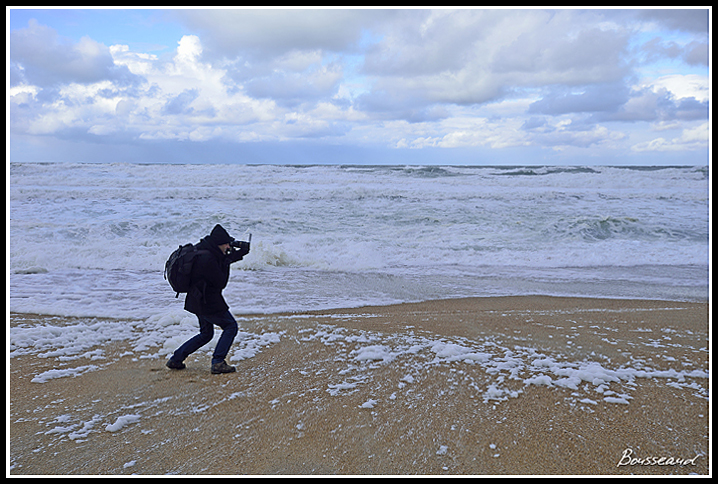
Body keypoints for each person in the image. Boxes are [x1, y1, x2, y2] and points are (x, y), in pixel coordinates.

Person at [166, 224, 249, 374]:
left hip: (197, 300)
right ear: (220, 244)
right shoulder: (208, 259)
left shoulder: (203, 250)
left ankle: (176, 359)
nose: (228, 246)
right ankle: (218, 362)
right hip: (208, 301)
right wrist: (227, 260)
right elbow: (221, 281)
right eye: (227, 244)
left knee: (206, 333)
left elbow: (221, 260)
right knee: (231, 327)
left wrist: (239, 252)